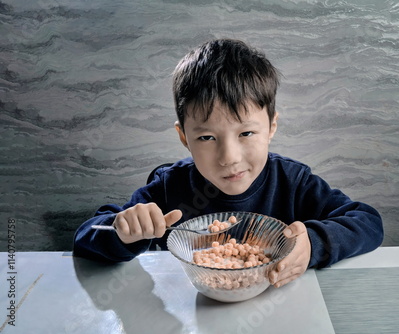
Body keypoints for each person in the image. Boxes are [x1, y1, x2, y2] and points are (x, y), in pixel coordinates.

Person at [73, 38, 383, 288]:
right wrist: (122, 229)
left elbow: (368, 221)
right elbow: (86, 236)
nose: (229, 157)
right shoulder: (170, 186)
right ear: (184, 137)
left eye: (246, 132)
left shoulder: (293, 182)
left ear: (272, 126)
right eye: (207, 138)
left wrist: (313, 244)